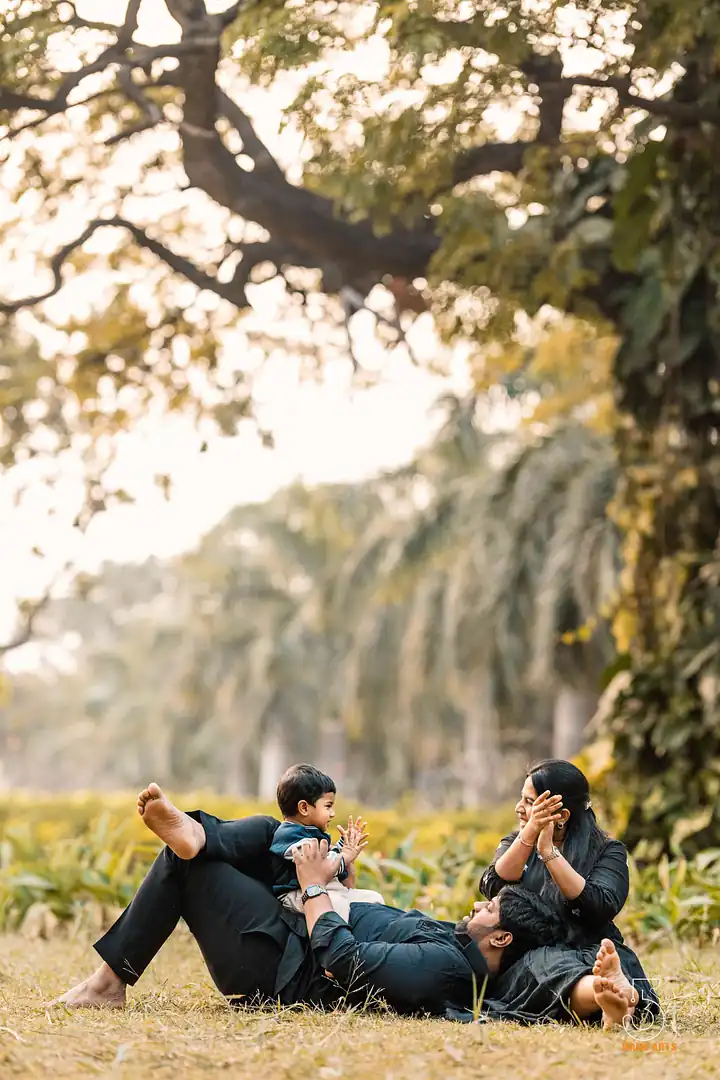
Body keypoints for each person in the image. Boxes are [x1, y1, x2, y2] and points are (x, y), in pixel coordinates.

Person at [54, 785, 639, 1028]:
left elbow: (347, 962)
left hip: (278, 964)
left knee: (187, 866)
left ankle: (109, 981)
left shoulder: (447, 966)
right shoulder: (453, 941)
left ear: (502, 938)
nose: (476, 908)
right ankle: (201, 833)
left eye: (489, 911)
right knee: (275, 833)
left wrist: (314, 889)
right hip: (290, 925)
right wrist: (338, 877)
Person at [477, 758, 659, 1024]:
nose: (518, 808)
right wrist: (529, 837)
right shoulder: (516, 844)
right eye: (521, 799)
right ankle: (609, 998)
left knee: (599, 964)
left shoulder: (608, 851)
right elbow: (494, 885)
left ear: (561, 816)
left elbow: (599, 905)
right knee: (549, 968)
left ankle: (618, 995)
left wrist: (549, 853)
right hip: (535, 951)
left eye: (529, 802)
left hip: (593, 946)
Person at [270, 763, 384, 919]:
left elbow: (331, 857)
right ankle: (337, 935)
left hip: (327, 890)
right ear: (304, 808)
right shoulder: (288, 836)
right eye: (328, 806)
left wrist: (345, 844)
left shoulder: (312, 832)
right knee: (337, 904)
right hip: (299, 895)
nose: (332, 813)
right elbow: (321, 867)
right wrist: (345, 856)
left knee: (373, 898)